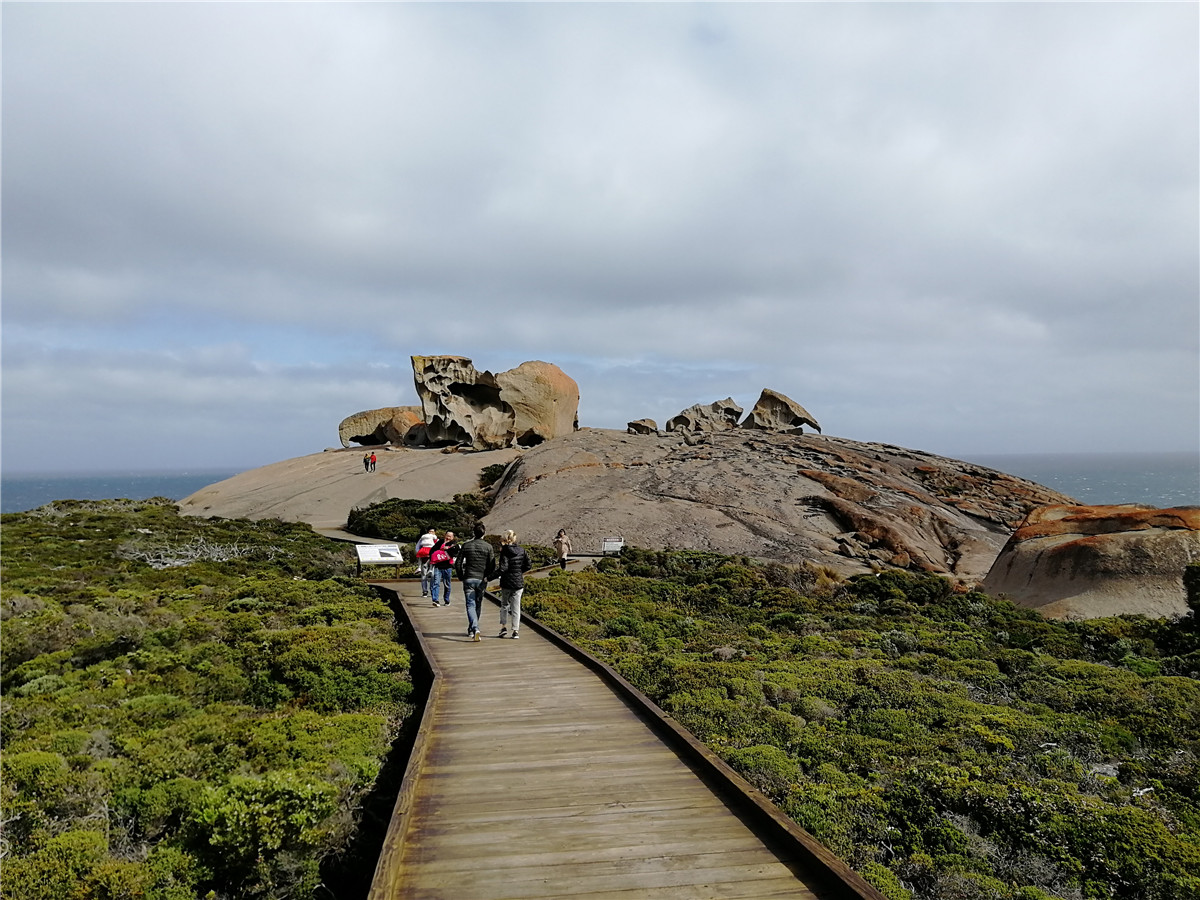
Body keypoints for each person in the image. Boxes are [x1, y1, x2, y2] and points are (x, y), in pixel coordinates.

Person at [455, 523, 496, 642]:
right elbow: (492, 564)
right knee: (478, 604)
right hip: (481, 579)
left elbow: (458, 563)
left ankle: (474, 628)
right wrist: (487, 577)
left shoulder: (466, 545)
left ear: (474, 532)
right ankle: (474, 628)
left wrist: (461, 576)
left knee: (470, 604)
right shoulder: (488, 547)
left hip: (468, 578)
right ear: (484, 533)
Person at [497, 529, 532, 639]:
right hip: (518, 582)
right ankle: (515, 630)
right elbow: (528, 565)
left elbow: (503, 568)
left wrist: (489, 577)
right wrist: (519, 571)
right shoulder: (522, 550)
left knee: (504, 605)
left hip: (506, 581)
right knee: (516, 607)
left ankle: (503, 627)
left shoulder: (504, 551)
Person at [427, 531, 458, 607]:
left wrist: (447, 549)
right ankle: (435, 600)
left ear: (453, 537)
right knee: (436, 583)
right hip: (438, 566)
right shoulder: (440, 542)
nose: (448, 538)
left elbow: (455, 553)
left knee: (447, 584)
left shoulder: (454, 544)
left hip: (447, 567)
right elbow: (432, 551)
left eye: (450, 536)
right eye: (447, 535)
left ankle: (446, 600)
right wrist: (433, 559)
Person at [415, 527, 437, 597]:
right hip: (424, 558)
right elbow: (417, 547)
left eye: (433, 532)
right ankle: (425, 591)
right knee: (424, 575)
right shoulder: (423, 539)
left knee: (433, 575)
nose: (431, 533)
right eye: (430, 531)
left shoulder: (436, 540)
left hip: (433, 560)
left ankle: (432, 590)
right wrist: (419, 554)